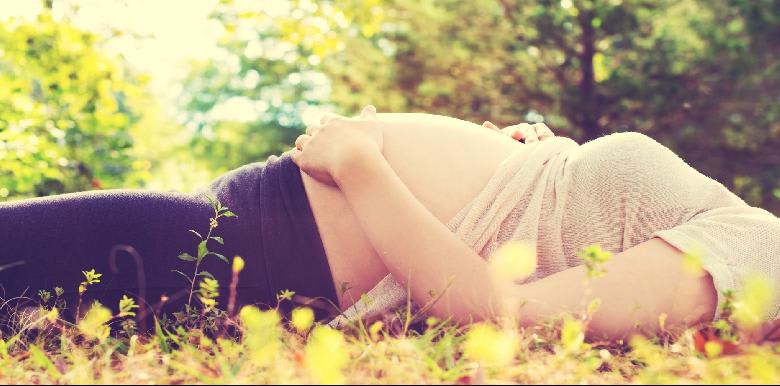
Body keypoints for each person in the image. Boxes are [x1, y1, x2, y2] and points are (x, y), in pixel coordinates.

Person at [1, 105, 778, 339]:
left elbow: (507, 315)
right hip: (254, 223)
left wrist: (363, 163)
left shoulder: (765, 255)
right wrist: (540, 162)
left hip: (271, 252)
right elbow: (562, 236)